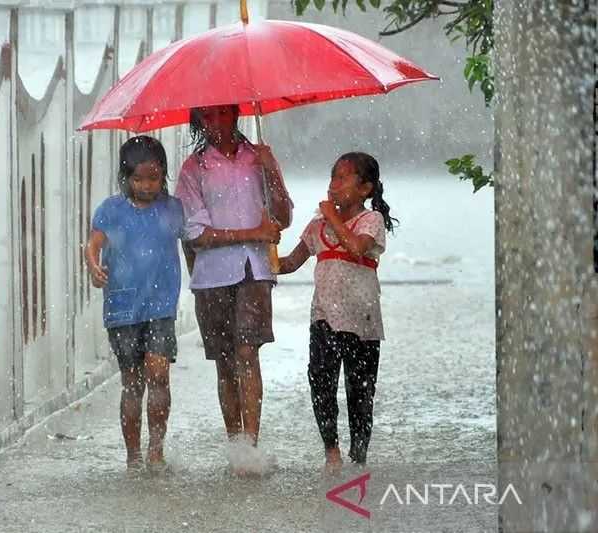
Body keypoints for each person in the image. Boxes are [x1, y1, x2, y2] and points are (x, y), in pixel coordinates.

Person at [175, 104, 293, 465]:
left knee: (247, 353)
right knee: (225, 362)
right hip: (211, 276)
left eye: (222, 114)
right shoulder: (194, 169)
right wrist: (251, 232)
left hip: (254, 271)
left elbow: (283, 217)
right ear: (200, 122)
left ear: (236, 114)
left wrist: (271, 170)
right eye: (207, 117)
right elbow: (195, 233)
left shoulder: (257, 159)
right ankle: (235, 443)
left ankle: (251, 445)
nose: (215, 124)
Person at [278, 152, 396, 473]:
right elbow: (288, 263)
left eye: (343, 178)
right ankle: (331, 450)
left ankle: (359, 456)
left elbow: (357, 248)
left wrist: (332, 217)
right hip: (324, 318)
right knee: (321, 383)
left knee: (360, 391)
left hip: (362, 321)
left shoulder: (371, 221)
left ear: (365, 189)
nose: (334, 185)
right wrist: (265, 245)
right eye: (333, 177)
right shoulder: (317, 227)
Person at [84, 135, 184, 471]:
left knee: (159, 374)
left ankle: (156, 448)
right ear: (125, 177)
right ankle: (132, 455)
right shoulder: (111, 210)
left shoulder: (172, 209)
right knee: (132, 381)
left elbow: (192, 244)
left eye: (153, 178)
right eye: (138, 179)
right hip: (123, 307)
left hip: (160, 305)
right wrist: (94, 266)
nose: (145, 185)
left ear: (164, 175)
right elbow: (93, 244)